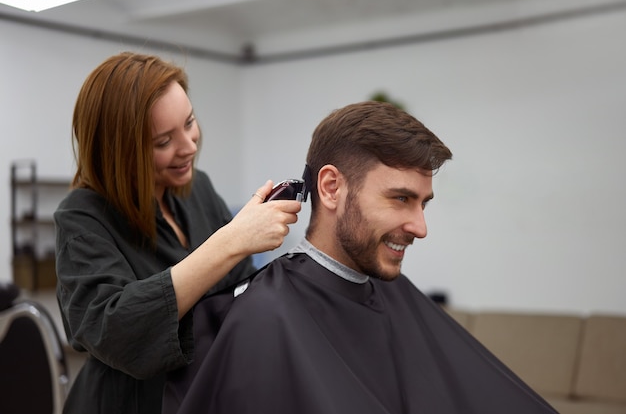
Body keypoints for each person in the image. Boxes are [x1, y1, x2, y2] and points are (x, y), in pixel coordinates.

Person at [163, 101, 558, 414]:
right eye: (400, 198)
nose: (420, 227)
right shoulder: (266, 315)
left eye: (423, 203)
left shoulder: (394, 295)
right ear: (332, 187)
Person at [54, 52, 302, 414]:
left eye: (189, 123)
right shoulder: (82, 217)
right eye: (163, 142)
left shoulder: (197, 189)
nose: (189, 146)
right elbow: (117, 330)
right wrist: (230, 241)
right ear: (119, 152)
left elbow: (240, 293)